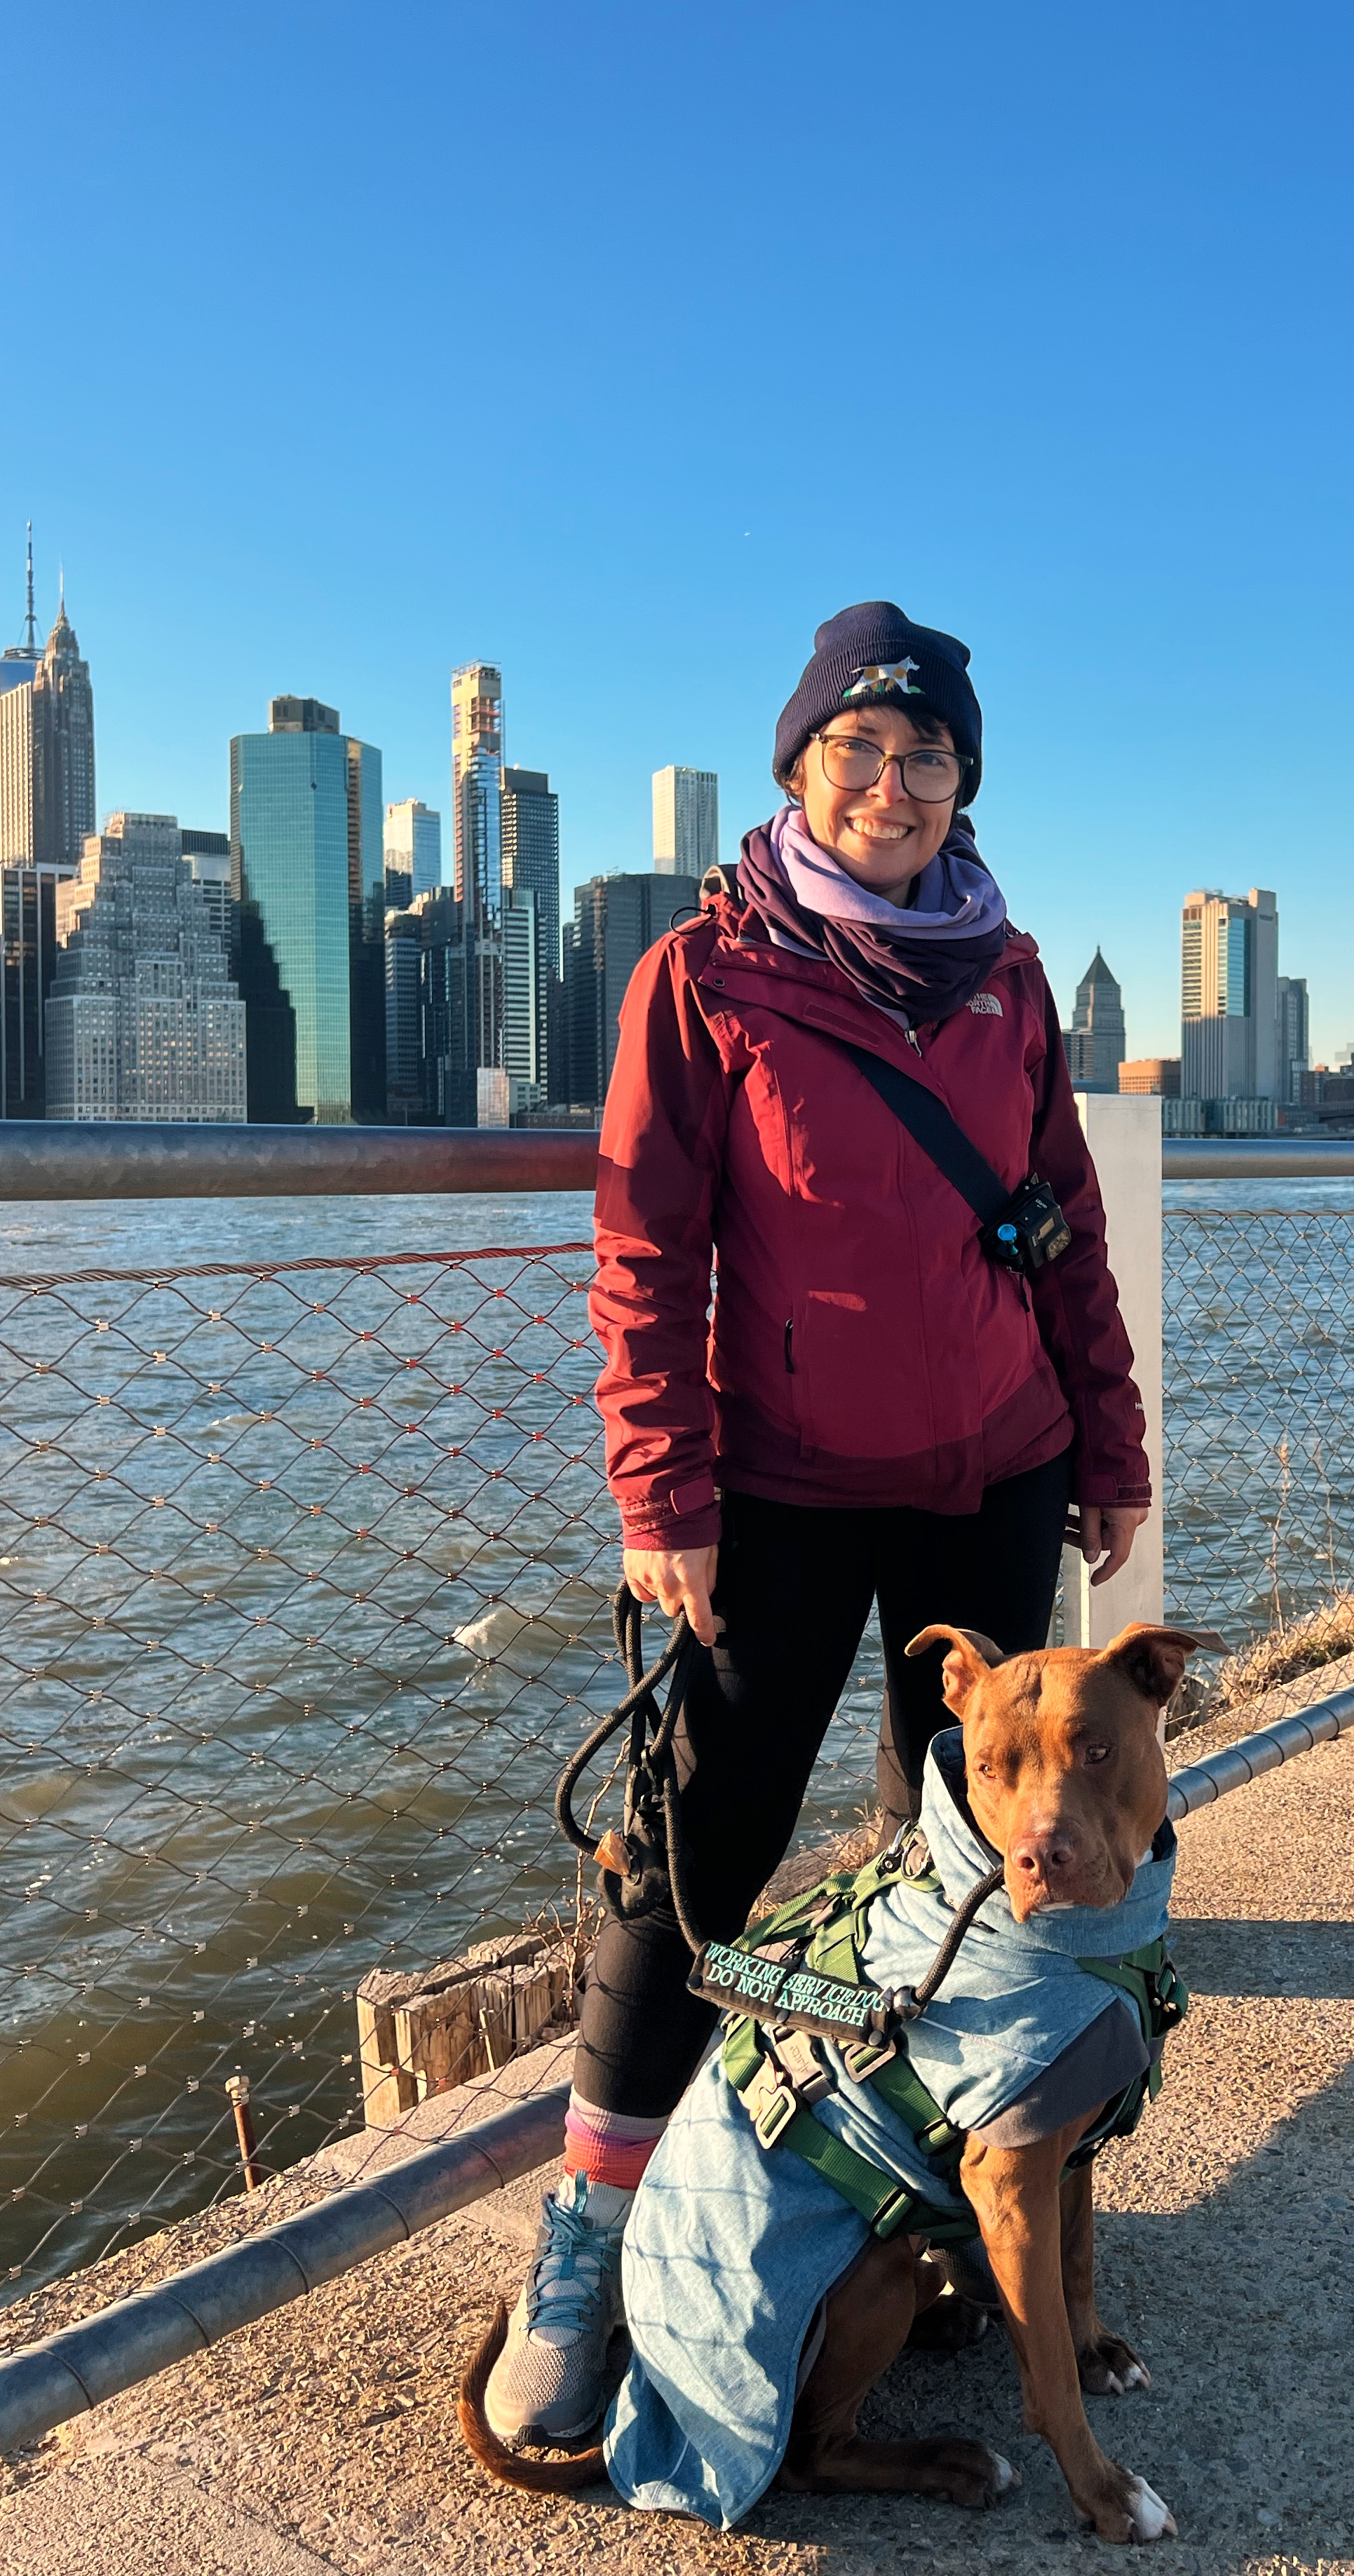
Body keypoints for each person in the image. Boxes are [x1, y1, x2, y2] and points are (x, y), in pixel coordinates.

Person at [482, 600, 1151, 2448]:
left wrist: (1111, 1442)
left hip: (998, 1475)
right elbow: (647, 1254)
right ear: (800, 772)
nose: (892, 782)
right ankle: (590, 2235)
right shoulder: (701, 978)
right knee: (699, 1856)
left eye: (926, 755)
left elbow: (1062, 1228)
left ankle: (931, 2210)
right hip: (772, 1491)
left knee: (971, 1867)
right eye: (856, 751)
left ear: (963, 786)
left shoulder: (1009, 979)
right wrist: (659, 1489)